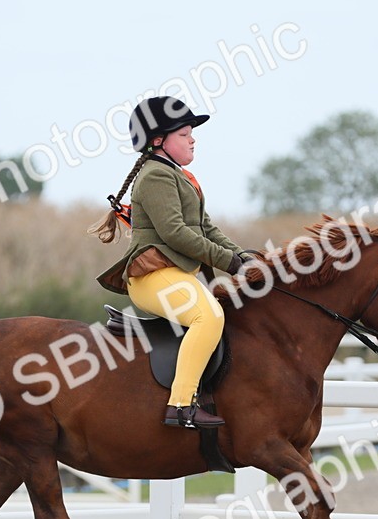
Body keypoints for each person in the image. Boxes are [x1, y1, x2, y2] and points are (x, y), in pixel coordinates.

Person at [92, 95, 257, 429]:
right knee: (208, 316)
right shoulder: (156, 176)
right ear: (158, 141)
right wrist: (229, 262)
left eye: (191, 133)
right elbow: (176, 234)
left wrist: (242, 256)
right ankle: (181, 406)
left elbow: (206, 228)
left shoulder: (181, 176)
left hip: (176, 274)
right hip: (153, 277)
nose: (192, 139)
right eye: (184, 134)